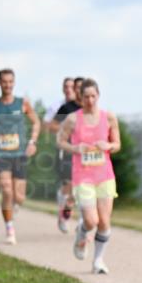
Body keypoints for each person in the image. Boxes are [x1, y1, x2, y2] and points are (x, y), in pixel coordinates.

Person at [57, 78, 120, 275]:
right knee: (91, 221)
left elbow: (117, 144)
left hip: (105, 176)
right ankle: (82, 232)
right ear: (80, 97)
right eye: (86, 96)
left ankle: (98, 261)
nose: (90, 100)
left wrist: (108, 146)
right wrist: (76, 148)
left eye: (93, 96)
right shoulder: (73, 119)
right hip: (83, 176)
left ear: (98, 96)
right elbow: (60, 141)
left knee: (104, 221)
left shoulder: (109, 117)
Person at [0, 69, 40, 245]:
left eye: (10, 81)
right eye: (4, 81)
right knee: (6, 189)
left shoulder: (23, 103)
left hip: (20, 154)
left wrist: (32, 142)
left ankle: (12, 210)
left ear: (14, 83)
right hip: (1, 154)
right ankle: (9, 227)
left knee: (19, 197)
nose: (7, 85)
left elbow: (36, 122)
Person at [46, 77, 83, 232]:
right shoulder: (67, 108)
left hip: (85, 152)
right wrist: (66, 130)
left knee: (83, 185)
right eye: (78, 88)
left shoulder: (91, 108)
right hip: (67, 150)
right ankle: (65, 210)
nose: (81, 91)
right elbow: (52, 125)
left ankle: (82, 220)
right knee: (70, 184)